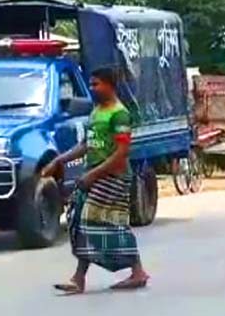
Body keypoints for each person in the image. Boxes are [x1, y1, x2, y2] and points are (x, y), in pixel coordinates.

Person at [44, 67, 149, 293]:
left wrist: (93, 174)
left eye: (96, 84)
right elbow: (86, 146)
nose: (92, 89)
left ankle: (137, 271)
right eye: (91, 84)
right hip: (95, 174)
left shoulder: (120, 114)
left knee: (103, 222)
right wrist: (59, 161)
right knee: (83, 224)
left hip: (114, 177)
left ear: (110, 85)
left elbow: (121, 152)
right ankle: (78, 278)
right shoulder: (96, 112)